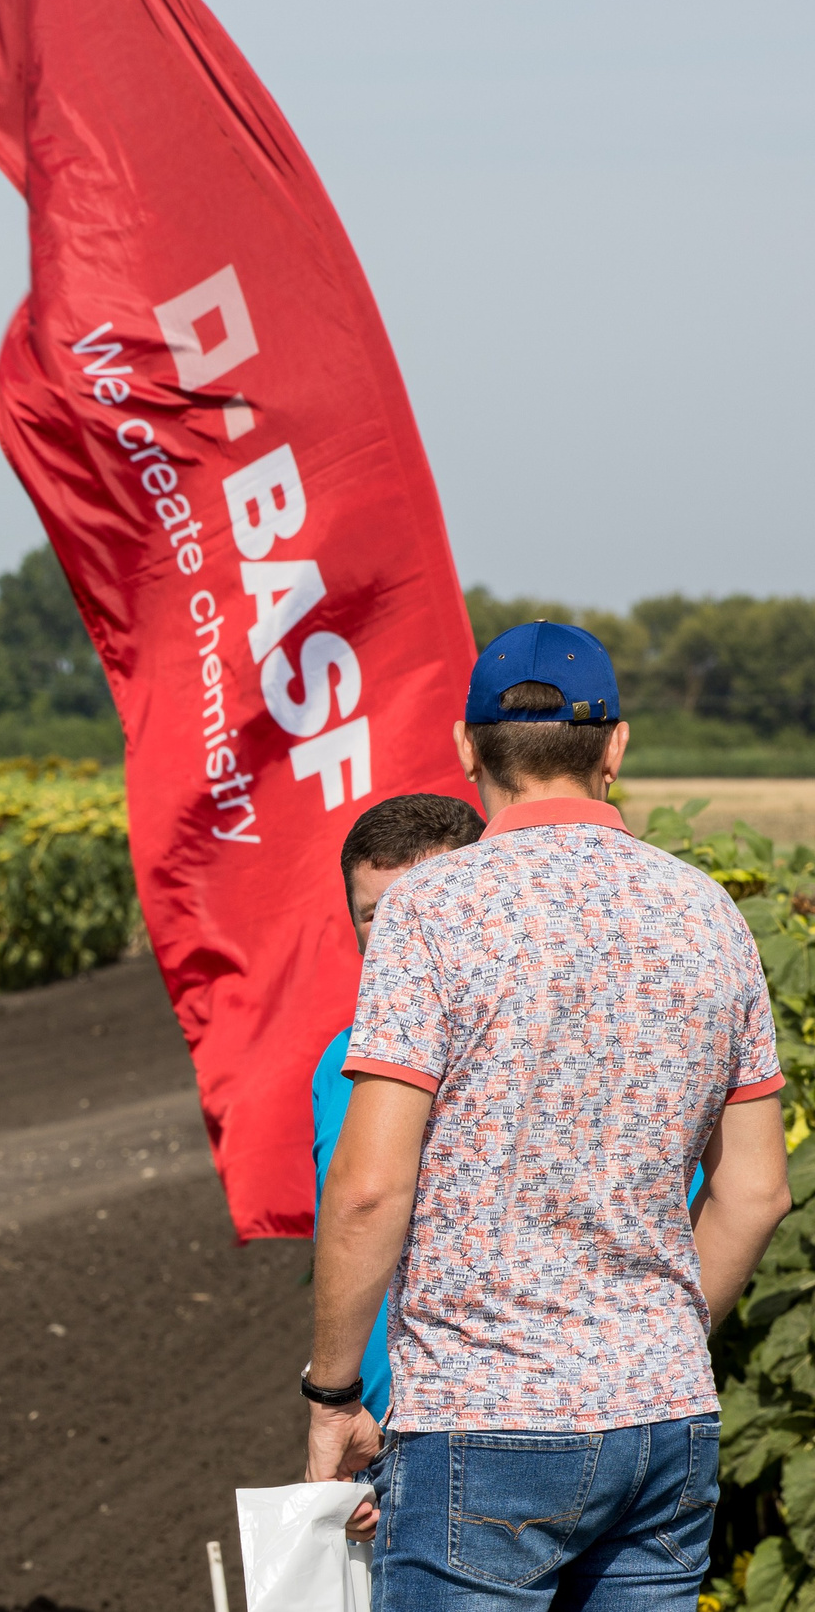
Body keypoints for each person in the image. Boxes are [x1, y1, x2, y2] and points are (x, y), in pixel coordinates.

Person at [306, 621, 792, 1609]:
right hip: (665, 1424)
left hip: (479, 1424)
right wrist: (650, 1342)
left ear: (464, 749)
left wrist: (332, 1393)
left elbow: (365, 1188)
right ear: (615, 746)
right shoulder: (709, 915)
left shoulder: (431, 912)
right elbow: (755, 1191)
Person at [309, 793, 487, 1426]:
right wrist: (337, 1397)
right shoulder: (339, 1061)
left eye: (425, 911)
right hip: (382, 1418)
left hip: (505, 1414)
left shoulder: (549, 1045)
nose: (401, 939)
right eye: (376, 916)